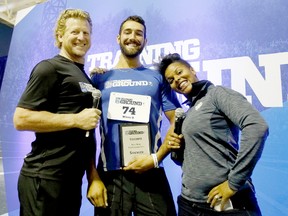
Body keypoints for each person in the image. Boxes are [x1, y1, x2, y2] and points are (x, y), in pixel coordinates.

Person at [13, 9, 103, 216]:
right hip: (44, 178)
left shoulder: (81, 76)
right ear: (60, 36)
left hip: (70, 180)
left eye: (86, 33)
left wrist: (92, 176)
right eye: (75, 32)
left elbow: (85, 134)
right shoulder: (49, 68)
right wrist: (76, 119)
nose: (81, 37)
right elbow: (21, 118)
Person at [157, 53, 269, 216]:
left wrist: (233, 183)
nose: (176, 80)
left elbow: (257, 127)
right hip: (189, 205)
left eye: (179, 72)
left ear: (192, 70)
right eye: (171, 80)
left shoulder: (217, 94)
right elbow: (188, 161)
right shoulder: (188, 114)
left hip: (224, 206)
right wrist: (177, 149)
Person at [90, 15, 181, 216]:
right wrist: (92, 177)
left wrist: (157, 158)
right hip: (110, 174)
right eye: (128, 32)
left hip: (150, 170)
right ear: (118, 38)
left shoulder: (157, 77)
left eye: (139, 33)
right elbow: (86, 132)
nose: (133, 37)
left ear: (145, 41)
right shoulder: (99, 78)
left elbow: (176, 120)